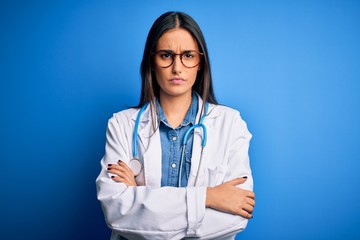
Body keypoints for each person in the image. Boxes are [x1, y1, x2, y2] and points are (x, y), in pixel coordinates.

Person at [96, 11, 255, 240]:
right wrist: (208, 198)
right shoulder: (121, 125)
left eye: (188, 55)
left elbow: (236, 217)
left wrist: (140, 198)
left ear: (200, 62)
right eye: (166, 55)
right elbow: (116, 212)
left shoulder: (231, 124)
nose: (177, 68)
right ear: (152, 61)